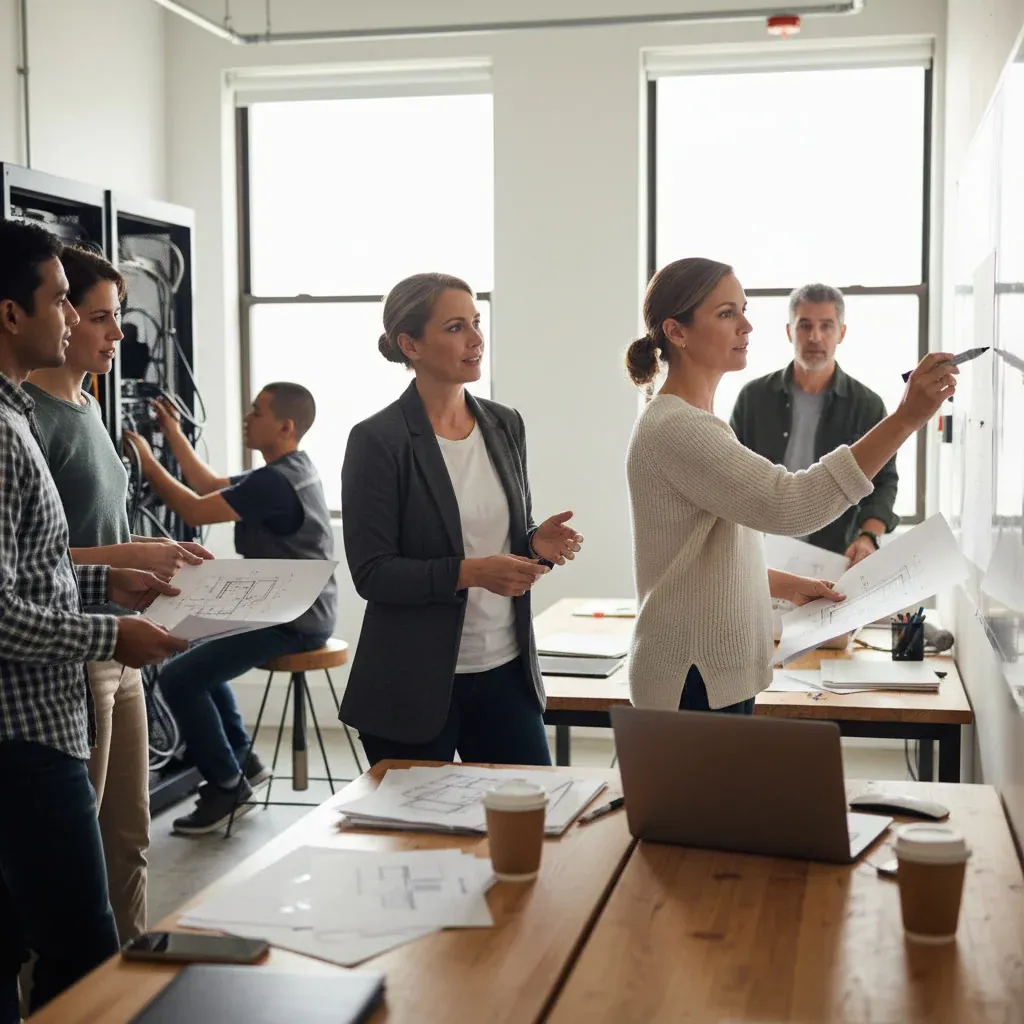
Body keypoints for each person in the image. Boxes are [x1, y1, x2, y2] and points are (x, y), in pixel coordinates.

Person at [625, 257, 956, 715]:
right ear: (677, 332)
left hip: (709, 674)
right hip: (693, 676)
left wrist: (783, 585)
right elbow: (790, 505)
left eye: (742, 309)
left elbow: (697, 561)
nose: (746, 325)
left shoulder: (698, 422)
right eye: (726, 314)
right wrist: (907, 418)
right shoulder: (679, 427)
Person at [0, 220, 187, 1022]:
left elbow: (39, 569)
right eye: (66, 303)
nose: (79, 322)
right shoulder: (11, 429)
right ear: (14, 314)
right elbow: (7, 609)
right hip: (35, 719)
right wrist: (112, 621)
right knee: (71, 941)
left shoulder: (25, 418)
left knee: (98, 877)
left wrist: (117, 578)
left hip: (64, 690)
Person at [23, 245, 213, 942]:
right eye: (101, 317)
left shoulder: (88, 405)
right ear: (61, 315)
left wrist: (159, 562)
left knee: (128, 839)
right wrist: (130, 555)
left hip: (121, 647)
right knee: (73, 865)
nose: (116, 334)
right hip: (74, 654)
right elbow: (30, 563)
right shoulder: (26, 419)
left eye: (120, 317)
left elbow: (104, 524)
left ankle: (125, 981)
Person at [340, 272, 583, 766]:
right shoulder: (377, 440)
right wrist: (471, 572)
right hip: (413, 683)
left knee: (529, 828)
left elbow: (504, 536)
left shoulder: (504, 423)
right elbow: (372, 573)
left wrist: (536, 544)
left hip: (507, 671)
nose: (476, 338)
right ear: (410, 344)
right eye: (455, 327)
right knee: (420, 844)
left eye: (476, 322)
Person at [124, 382, 338, 835]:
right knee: (186, 649)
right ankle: (241, 758)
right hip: (287, 607)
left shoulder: (276, 483)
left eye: (256, 412)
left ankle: (226, 784)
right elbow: (208, 484)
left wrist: (145, 459)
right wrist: (172, 432)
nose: (247, 417)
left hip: (294, 618)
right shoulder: (284, 472)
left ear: (285, 426)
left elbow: (197, 510)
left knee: (178, 677)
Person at [730, 283, 898, 565]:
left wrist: (868, 537)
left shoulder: (868, 405)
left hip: (833, 558)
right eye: (804, 325)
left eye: (827, 326)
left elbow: (883, 483)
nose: (815, 337)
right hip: (758, 556)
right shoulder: (753, 398)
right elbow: (732, 475)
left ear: (841, 333)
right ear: (789, 332)